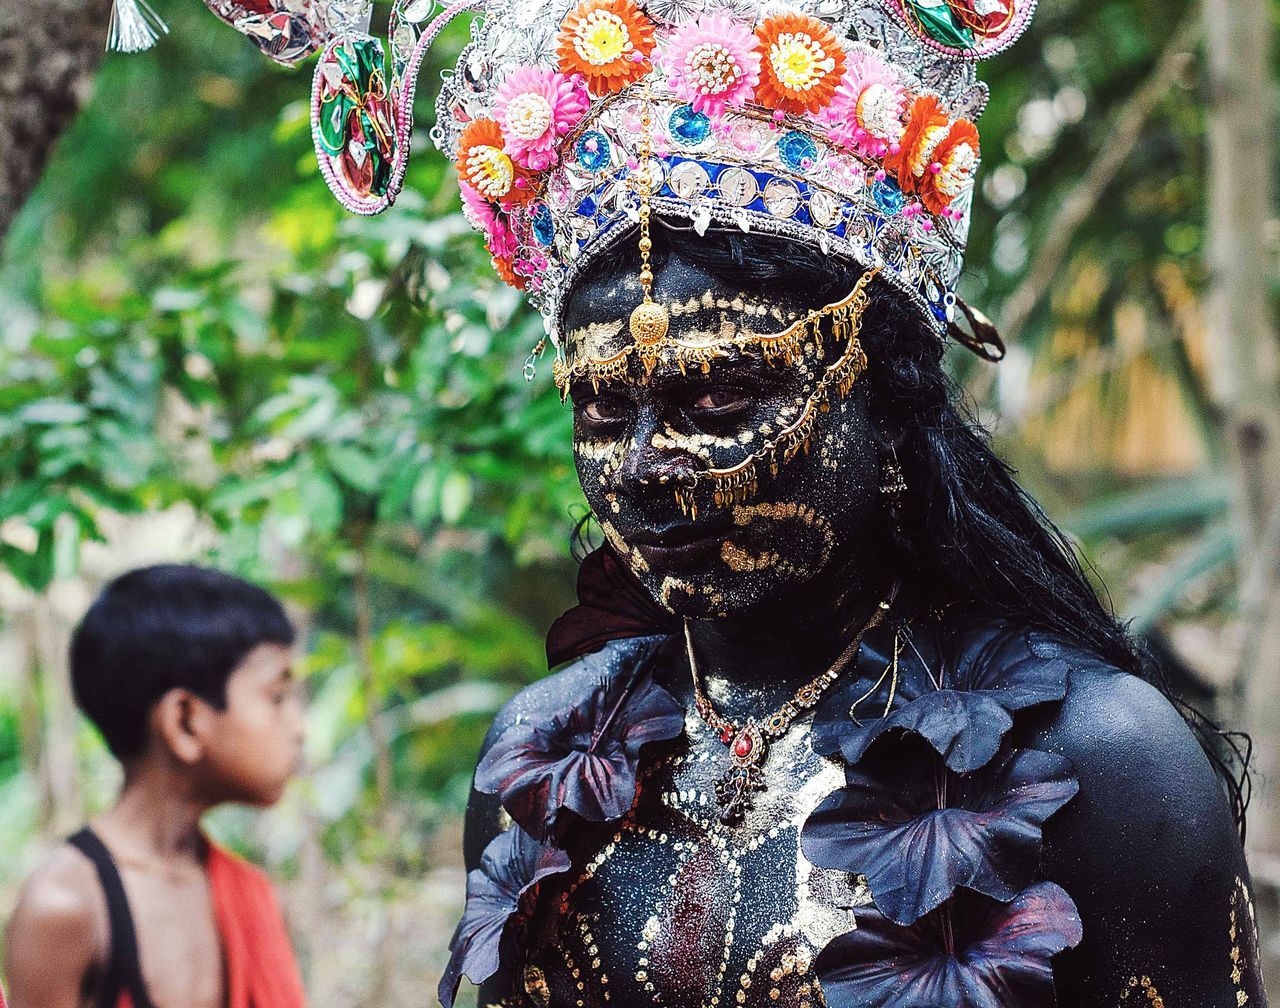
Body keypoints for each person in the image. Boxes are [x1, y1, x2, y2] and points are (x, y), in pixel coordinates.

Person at [154, 0, 1268, 1003]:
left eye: (723, 392)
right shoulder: (543, 758)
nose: (645, 464)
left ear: (884, 400)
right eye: (600, 411)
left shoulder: (1099, 764)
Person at [3, 564, 308, 1008]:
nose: (298, 728)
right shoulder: (65, 907)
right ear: (185, 720)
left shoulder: (249, 893)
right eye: (277, 697)